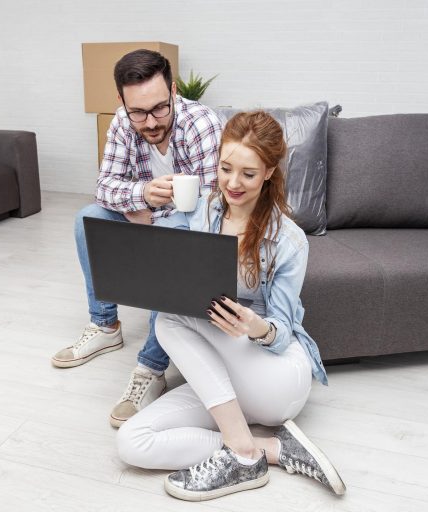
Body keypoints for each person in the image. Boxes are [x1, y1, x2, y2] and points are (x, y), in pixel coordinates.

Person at [115, 111, 346, 501]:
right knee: (132, 441)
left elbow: (283, 329)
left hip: (275, 376)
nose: (233, 184)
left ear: (270, 172)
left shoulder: (289, 240)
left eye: (248, 174)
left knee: (169, 319)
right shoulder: (202, 211)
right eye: (225, 168)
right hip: (224, 382)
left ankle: (240, 452)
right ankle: (263, 450)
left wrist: (256, 325)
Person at [50, 49, 223, 428]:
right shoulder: (122, 122)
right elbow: (104, 188)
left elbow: (212, 205)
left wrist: (153, 214)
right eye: (138, 112)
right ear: (121, 102)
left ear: (174, 91)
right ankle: (104, 326)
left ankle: (151, 367)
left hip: (185, 230)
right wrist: (142, 195)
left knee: (172, 235)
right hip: (148, 213)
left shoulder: (201, 123)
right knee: (88, 218)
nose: (150, 122)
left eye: (160, 108)